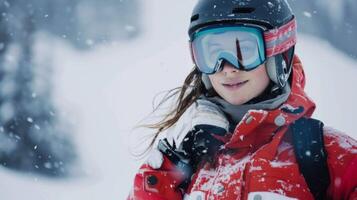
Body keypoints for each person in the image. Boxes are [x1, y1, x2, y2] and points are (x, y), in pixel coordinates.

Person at [127, 0, 357, 199]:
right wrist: (167, 170)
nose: (227, 68)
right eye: (212, 53)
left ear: (278, 51)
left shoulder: (328, 155)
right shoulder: (187, 159)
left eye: (243, 50)